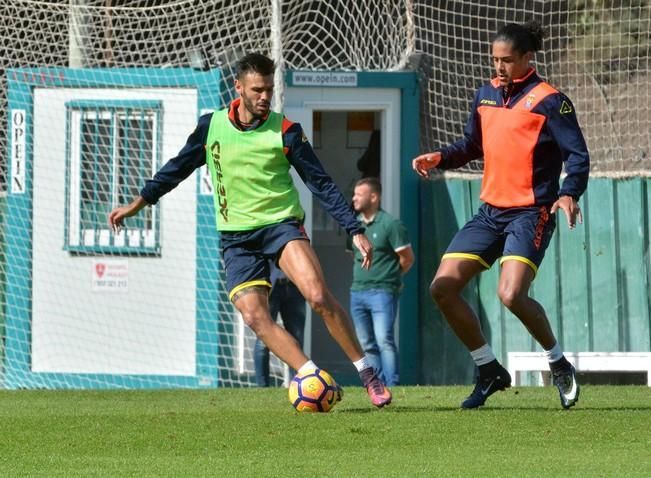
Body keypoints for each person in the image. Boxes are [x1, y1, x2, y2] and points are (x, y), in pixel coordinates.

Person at [108, 52, 391, 407]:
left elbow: (321, 184)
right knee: (255, 317)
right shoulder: (211, 127)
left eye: (269, 90)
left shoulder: (286, 131)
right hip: (237, 238)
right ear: (238, 87)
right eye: (257, 89)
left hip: (281, 226)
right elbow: (176, 169)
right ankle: (311, 377)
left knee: (318, 296)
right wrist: (138, 204)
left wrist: (354, 229)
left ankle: (367, 373)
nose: (264, 97)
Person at [413, 21, 589, 409]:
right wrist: (441, 156)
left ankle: (558, 363)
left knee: (510, 294)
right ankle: (489, 369)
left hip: (531, 213)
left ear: (528, 58)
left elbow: (577, 156)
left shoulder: (550, 100)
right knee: (442, 288)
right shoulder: (486, 94)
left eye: (507, 60)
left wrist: (569, 193)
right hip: (490, 213)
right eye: (495, 59)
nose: (499, 67)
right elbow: (472, 145)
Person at [349, 177, 414, 386]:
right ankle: (376, 386)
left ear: (374, 197)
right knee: (366, 344)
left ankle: (392, 383)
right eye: (354, 194)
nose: (354, 199)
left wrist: (392, 279)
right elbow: (353, 256)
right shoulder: (354, 225)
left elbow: (407, 258)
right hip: (357, 292)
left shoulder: (391, 225)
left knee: (384, 340)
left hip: (383, 292)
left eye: (359, 194)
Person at [254, 266, 306, 387]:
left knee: (297, 338)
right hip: (270, 286)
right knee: (264, 340)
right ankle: (262, 387)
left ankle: (296, 385)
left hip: (294, 286)